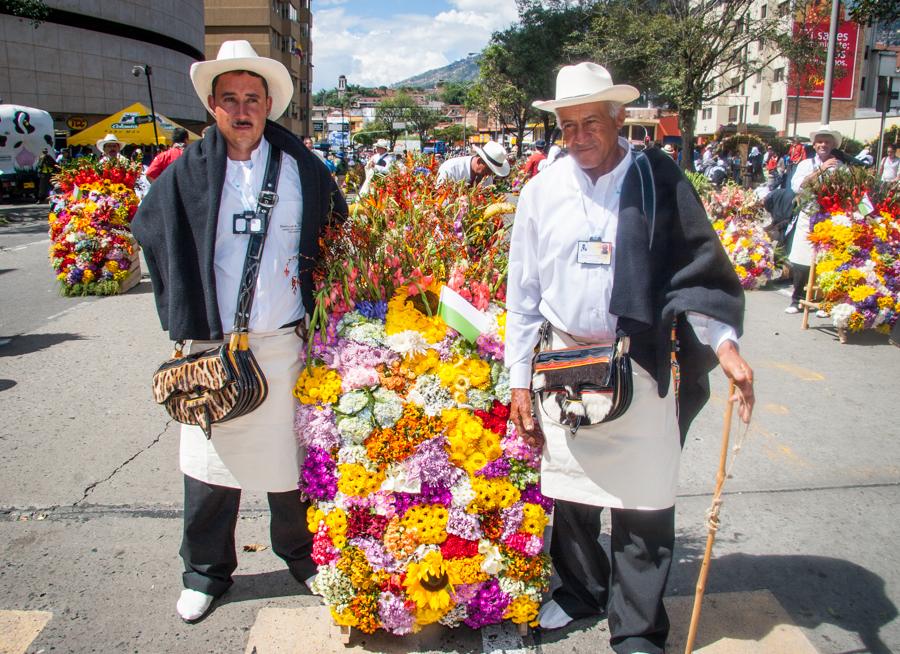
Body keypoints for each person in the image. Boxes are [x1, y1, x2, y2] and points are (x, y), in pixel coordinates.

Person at [506, 62, 754, 654]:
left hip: (640, 362)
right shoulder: (541, 191)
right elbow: (524, 294)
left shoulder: (658, 180)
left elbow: (695, 275)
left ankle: (638, 628)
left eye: (592, 121)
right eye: (568, 124)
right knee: (570, 494)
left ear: (619, 120)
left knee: (645, 501)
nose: (580, 134)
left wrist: (726, 346)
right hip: (565, 365)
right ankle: (581, 591)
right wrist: (518, 381)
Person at [131, 40, 348, 624]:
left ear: (270, 103)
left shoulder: (304, 168)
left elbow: (337, 233)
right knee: (209, 469)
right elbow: (150, 229)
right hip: (214, 348)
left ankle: (303, 559)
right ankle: (206, 573)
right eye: (230, 99)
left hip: (285, 346)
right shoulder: (187, 174)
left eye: (253, 97)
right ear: (212, 105)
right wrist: (183, 309)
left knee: (292, 466)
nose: (243, 109)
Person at [784, 125, 845, 314]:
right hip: (808, 215)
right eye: (820, 141)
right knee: (802, 258)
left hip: (828, 217)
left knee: (825, 260)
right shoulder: (805, 164)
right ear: (814, 144)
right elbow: (798, 187)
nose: (823, 145)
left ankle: (824, 301)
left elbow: (844, 191)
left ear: (833, 144)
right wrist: (820, 170)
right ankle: (797, 300)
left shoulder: (840, 167)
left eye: (827, 142)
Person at [437, 140, 510, 187]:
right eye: (488, 169)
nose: (490, 174)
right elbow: (439, 194)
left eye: (492, 171)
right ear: (479, 161)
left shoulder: (487, 176)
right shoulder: (451, 169)